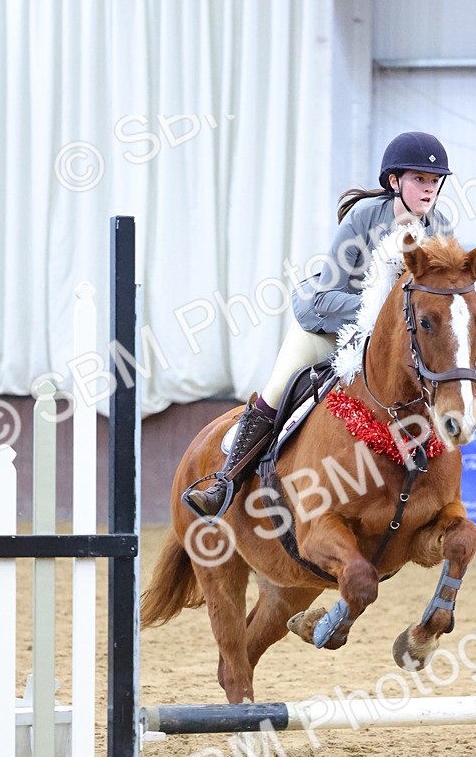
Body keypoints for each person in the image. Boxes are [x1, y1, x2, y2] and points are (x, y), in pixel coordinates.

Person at [185, 131, 455, 519]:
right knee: (279, 387)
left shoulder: (439, 226)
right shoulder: (365, 218)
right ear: (395, 182)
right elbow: (328, 295)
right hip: (326, 324)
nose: (429, 190)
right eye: (419, 180)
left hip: (384, 341)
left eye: (433, 181)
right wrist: (384, 315)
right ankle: (225, 481)